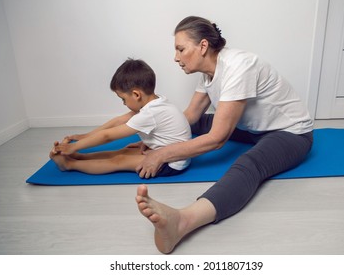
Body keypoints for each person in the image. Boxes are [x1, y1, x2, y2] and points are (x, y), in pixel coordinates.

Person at [135, 16, 314, 253]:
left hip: (290, 133)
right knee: (194, 124)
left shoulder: (239, 66)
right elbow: (189, 118)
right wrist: (157, 140)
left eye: (180, 49)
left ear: (203, 46)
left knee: (250, 163)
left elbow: (218, 139)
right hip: (253, 130)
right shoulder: (208, 72)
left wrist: (162, 154)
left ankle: (184, 221)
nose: (176, 57)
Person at [50, 58, 191, 176]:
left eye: (123, 99)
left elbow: (108, 136)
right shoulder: (155, 102)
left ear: (136, 95)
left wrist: (73, 147)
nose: (123, 103)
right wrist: (85, 136)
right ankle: (81, 158)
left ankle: (70, 164)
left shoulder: (150, 113)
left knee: (119, 160)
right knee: (124, 151)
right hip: (164, 150)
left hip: (172, 163)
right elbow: (118, 121)